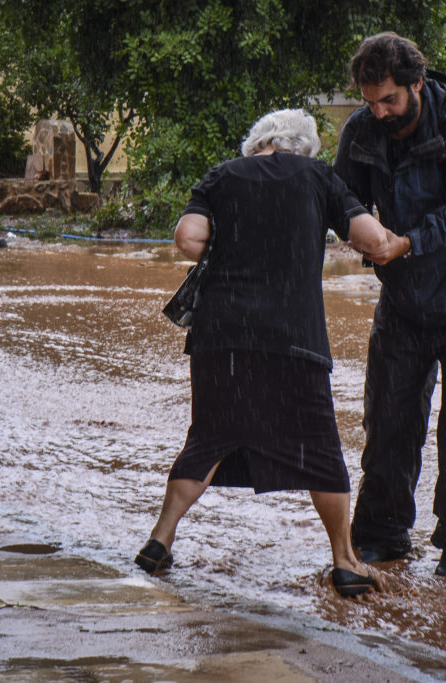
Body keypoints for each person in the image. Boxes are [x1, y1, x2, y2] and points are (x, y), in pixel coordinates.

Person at [136, 109, 390, 598]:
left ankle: (159, 540)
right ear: (303, 147)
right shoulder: (318, 177)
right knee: (319, 447)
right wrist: (394, 243)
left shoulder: (222, 176)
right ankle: (346, 561)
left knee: (208, 438)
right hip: (292, 339)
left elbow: (187, 239)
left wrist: (238, 242)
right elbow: (369, 238)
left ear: (260, 143)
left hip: (220, 337)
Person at [333, 32, 446, 577]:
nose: (379, 112)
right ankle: (383, 538)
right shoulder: (363, 129)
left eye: (389, 99)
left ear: (415, 84)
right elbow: (340, 198)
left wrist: (406, 241)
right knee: (388, 424)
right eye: (370, 102)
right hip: (404, 298)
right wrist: (357, 232)